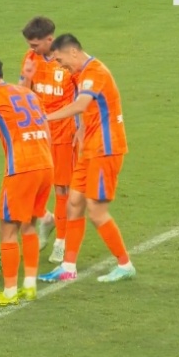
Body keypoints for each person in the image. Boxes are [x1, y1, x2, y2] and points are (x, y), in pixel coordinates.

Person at [36, 34, 137, 283]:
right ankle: (68, 266)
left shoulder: (95, 72)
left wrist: (46, 118)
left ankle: (125, 265)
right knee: (74, 202)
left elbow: (81, 104)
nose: (61, 66)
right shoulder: (81, 73)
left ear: (73, 52)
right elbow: (90, 108)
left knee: (96, 211)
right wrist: (81, 128)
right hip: (89, 149)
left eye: (61, 60)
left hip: (106, 149)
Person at [0, 57, 54, 305]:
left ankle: (9, 292)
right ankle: (29, 286)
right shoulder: (28, 93)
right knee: (28, 225)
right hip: (46, 164)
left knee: (7, 231)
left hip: (21, 169)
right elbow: (47, 129)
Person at [19, 16, 81, 263]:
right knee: (32, 181)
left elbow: (84, 95)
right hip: (38, 132)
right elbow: (24, 92)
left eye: (35, 44)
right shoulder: (31, 58)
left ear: (49, 39)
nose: (31, 48)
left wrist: (81, 127)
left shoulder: (66, 61)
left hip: (64, 132)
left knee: (61, 188)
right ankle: (46, 218)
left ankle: (61, 242)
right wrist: (26, 77)